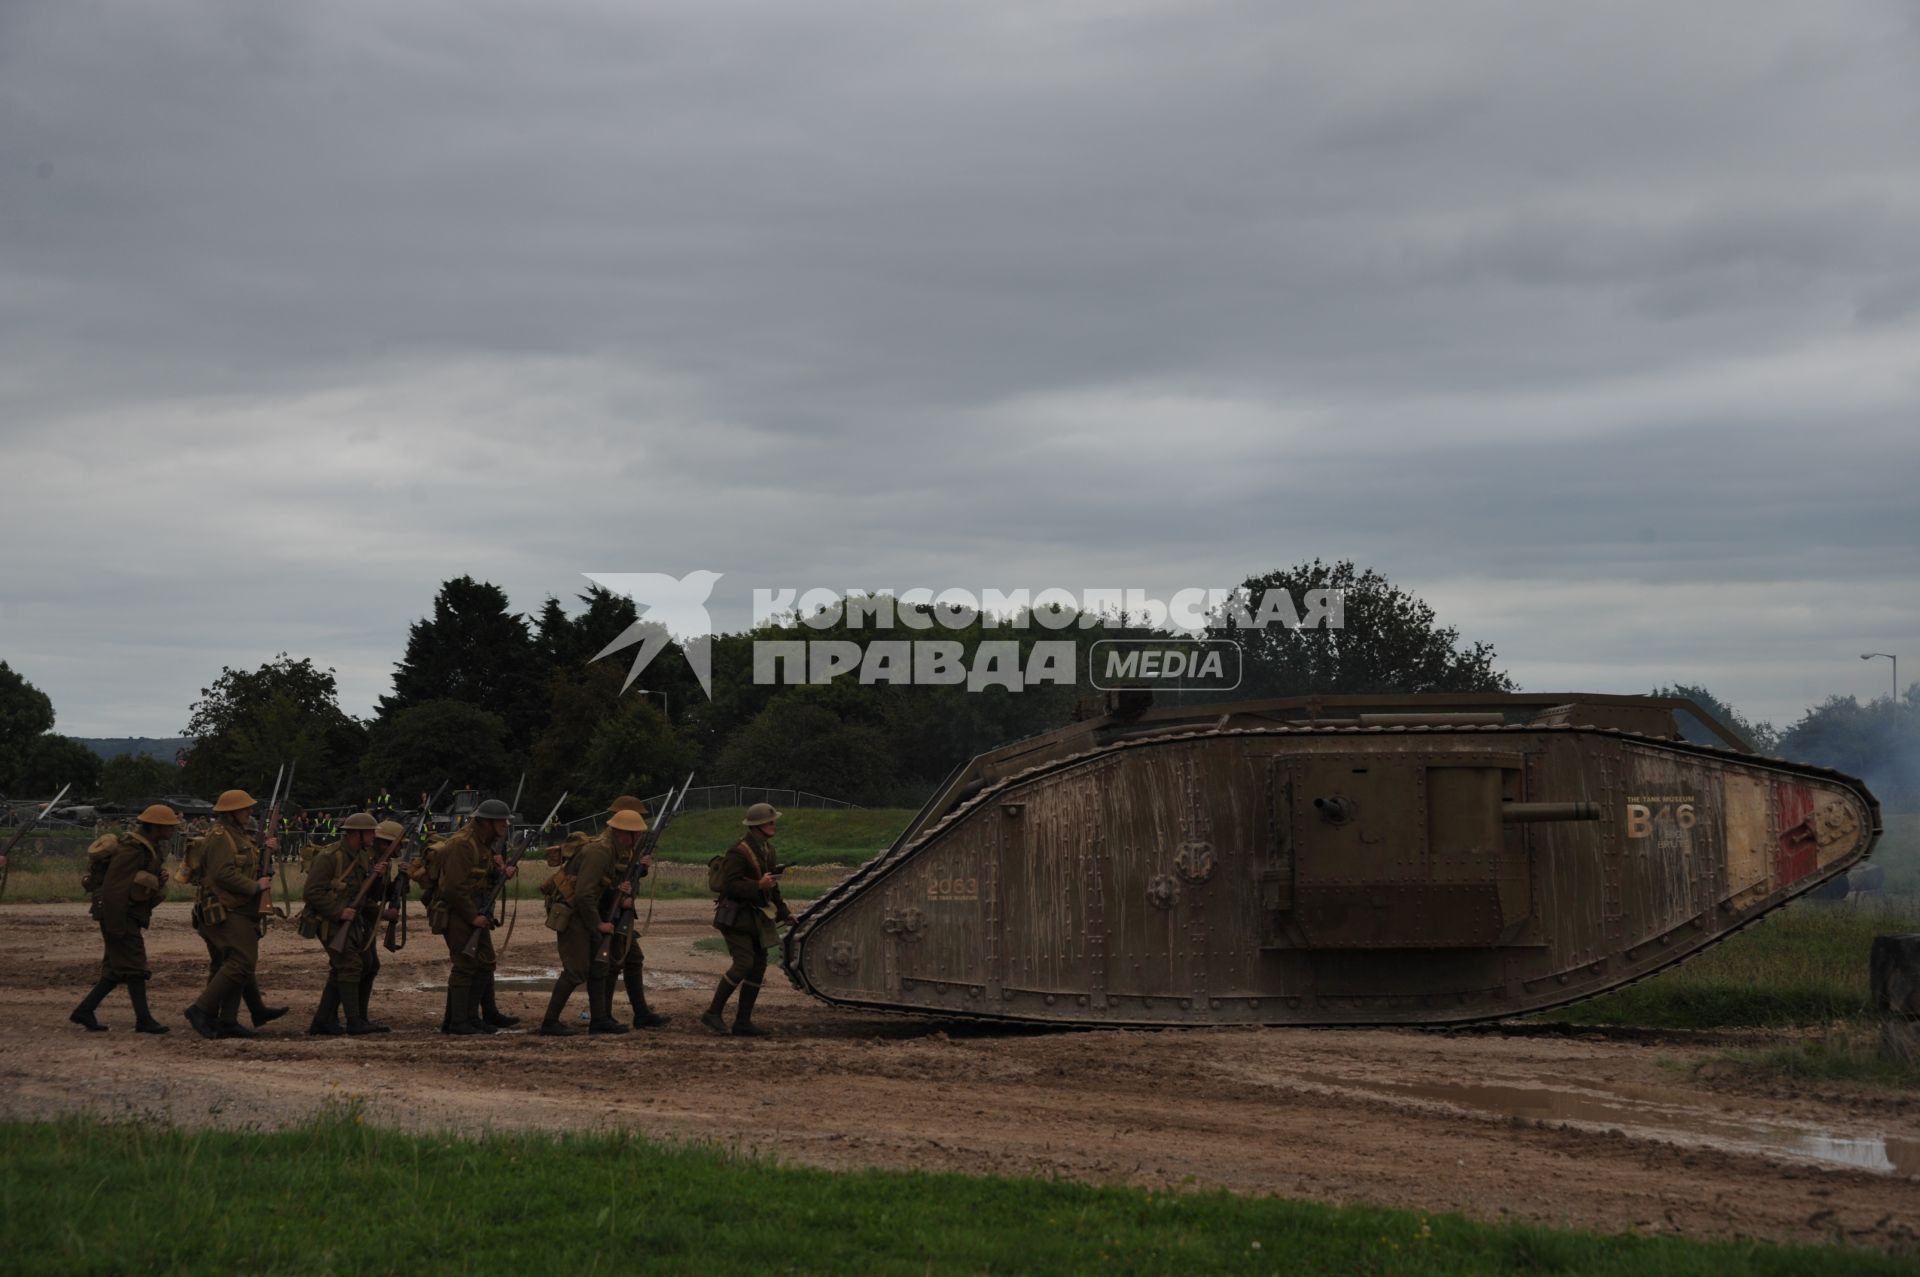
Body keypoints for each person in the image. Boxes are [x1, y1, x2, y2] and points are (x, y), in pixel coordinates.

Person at [70, 804, 180, 1034]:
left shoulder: (147, 847)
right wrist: (116, 925)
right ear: (155, 826)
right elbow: (114, 888)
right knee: (136, 966)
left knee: (115, 969)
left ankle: (85, 1010)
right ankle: (144, 1020)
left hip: (125, 913)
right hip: (119, 914)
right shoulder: (132, 849)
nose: (173, 829)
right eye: (169, 826)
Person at [184, 789, 284, 1039]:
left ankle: (227, 1021)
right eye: (244, 809)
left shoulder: (237, 834)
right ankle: (200, 1010)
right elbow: (222, 873)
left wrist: (267, 850)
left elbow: (249, 864)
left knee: (230, 964)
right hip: (224, 908)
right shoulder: (220, 836)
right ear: (231, 813)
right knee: (241, 963)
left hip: (237, 907)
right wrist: (254, 887)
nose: (249, 812)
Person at [538, 808, 648, 1035]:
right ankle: (549, 1022)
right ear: (622, 834)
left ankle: (600, 1020)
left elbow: (599, 887)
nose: (636, 840)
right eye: (634, 835)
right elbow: (583, 894)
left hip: (587, 912)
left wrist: (617, 890)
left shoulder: (612, 851)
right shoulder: (600, 852)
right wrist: (598, 925)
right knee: (576, 971)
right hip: (575, 914)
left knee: (600, 967)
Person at [299, 812, 398, 1035]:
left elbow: (365, 892)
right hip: (328, 920)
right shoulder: (330, 856)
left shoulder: (361, 856)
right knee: (350, 966)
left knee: (354, 966)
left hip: (352, 921)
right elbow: (311, 892)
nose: (374, 836)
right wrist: (339, 912)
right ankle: (355, 1022)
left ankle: (323, 1021)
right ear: (357, 834)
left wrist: (379, 876)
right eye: (370, 832)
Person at [701, 802, 794, 1037]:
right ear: (757, 826)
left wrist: (784, 912)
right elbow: (731, 886)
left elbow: (773, 888)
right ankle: (712, 1013)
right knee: (744, 963)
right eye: (769, 822)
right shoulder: (738, 851)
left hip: (757, 918)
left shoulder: (768, 850)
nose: (773, 825)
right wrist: (757, 885)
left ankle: (743, 1022)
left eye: (773, 822)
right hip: (735, 917)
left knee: (759, 966)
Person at [428, 797, 520, 1035]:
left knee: (485, 962)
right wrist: (472, 917)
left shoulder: (484, 843)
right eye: (501, 822)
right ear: (486, 822)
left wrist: (502, 871)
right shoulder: (463, 844)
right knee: (465, 965)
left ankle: (465, 1018)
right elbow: (452, 888)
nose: (506, 826)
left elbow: (481, 875)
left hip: (475, 911)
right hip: (457, 912)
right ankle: (459, 1022)